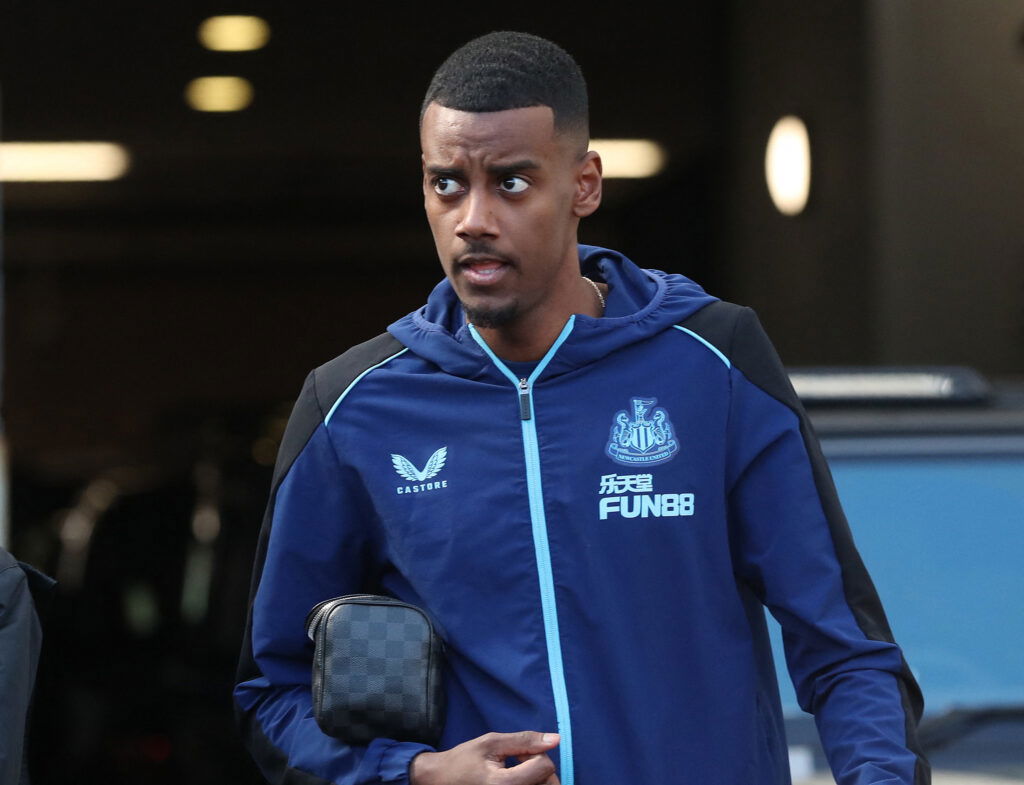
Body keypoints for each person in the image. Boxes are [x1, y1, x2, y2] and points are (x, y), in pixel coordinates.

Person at [235, 31, 929, 785]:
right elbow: (272, 694)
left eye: (511, 182)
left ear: (585, 185)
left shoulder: (715, 362)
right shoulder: (350, 407)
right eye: (447, 184)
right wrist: (420, 772)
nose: (473, 218)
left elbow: (845, 650)